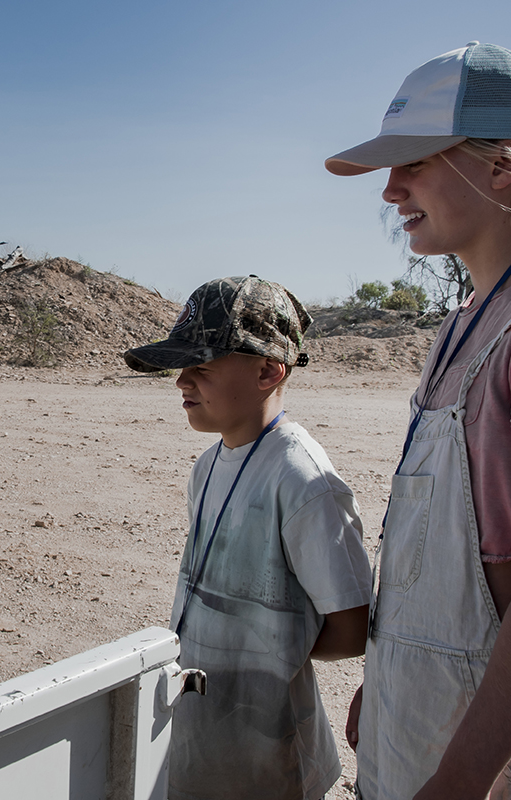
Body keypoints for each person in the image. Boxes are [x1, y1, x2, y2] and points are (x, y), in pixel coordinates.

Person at [327, 42, 511, 798]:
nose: (391, 189)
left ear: (504, 165)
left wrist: (464, 776)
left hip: (482, 766)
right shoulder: (463, 322)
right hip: (416, 727)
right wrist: (387, 676)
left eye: (416, 161)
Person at [124, 276, 372, 800]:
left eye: (202, 367)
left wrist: (264, 654)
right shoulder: (207, 465)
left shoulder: (303, 480)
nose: (181, 381)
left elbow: (350, 631)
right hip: (203, 739)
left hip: (270, 760)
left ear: (267, 370)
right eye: (181, 367)